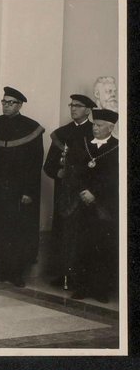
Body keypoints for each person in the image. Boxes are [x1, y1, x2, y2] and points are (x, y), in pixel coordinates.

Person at [0, 86, 44, 287]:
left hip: (19, 189)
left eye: (10, 103)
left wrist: (29, 191)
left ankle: (16, 273)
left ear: (20, 105)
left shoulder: (31, 128)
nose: (6, 106)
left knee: (17, 230)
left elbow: (35, 163)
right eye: (4, 102)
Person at [61, 109, 119, 303]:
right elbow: (74, 172)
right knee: (82, 246)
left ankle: (100, 289)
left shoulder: (118, 148)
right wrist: (83, 191)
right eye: (94, 124)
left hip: (104, 206)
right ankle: (82, 287)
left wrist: (95, 194)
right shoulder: (83, 145)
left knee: (103, 247)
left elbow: (114, 179)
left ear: (110, 127)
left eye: (100, 125)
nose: (95, 128)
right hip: (82, 203)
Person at [43, 94, 96, 287]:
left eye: (78, 106)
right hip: (64, 192)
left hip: (85, 192)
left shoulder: (95, 131)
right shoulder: (62, 133)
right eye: (71, 105)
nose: (73, 108)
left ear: (88, 110)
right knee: (63, 232)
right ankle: (63, 273)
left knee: (83, 233)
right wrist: (58, 172)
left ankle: (81, 277)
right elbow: (48, 166)